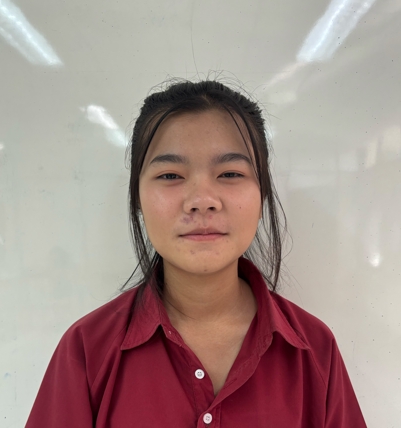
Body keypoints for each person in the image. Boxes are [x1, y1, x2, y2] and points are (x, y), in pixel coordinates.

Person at [25, 79, 368, 427]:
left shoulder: (314, 351)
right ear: (137, 198)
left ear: (262, 193)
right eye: (171, 175)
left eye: (230, 173)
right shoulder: (87, 351)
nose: (202, 200)